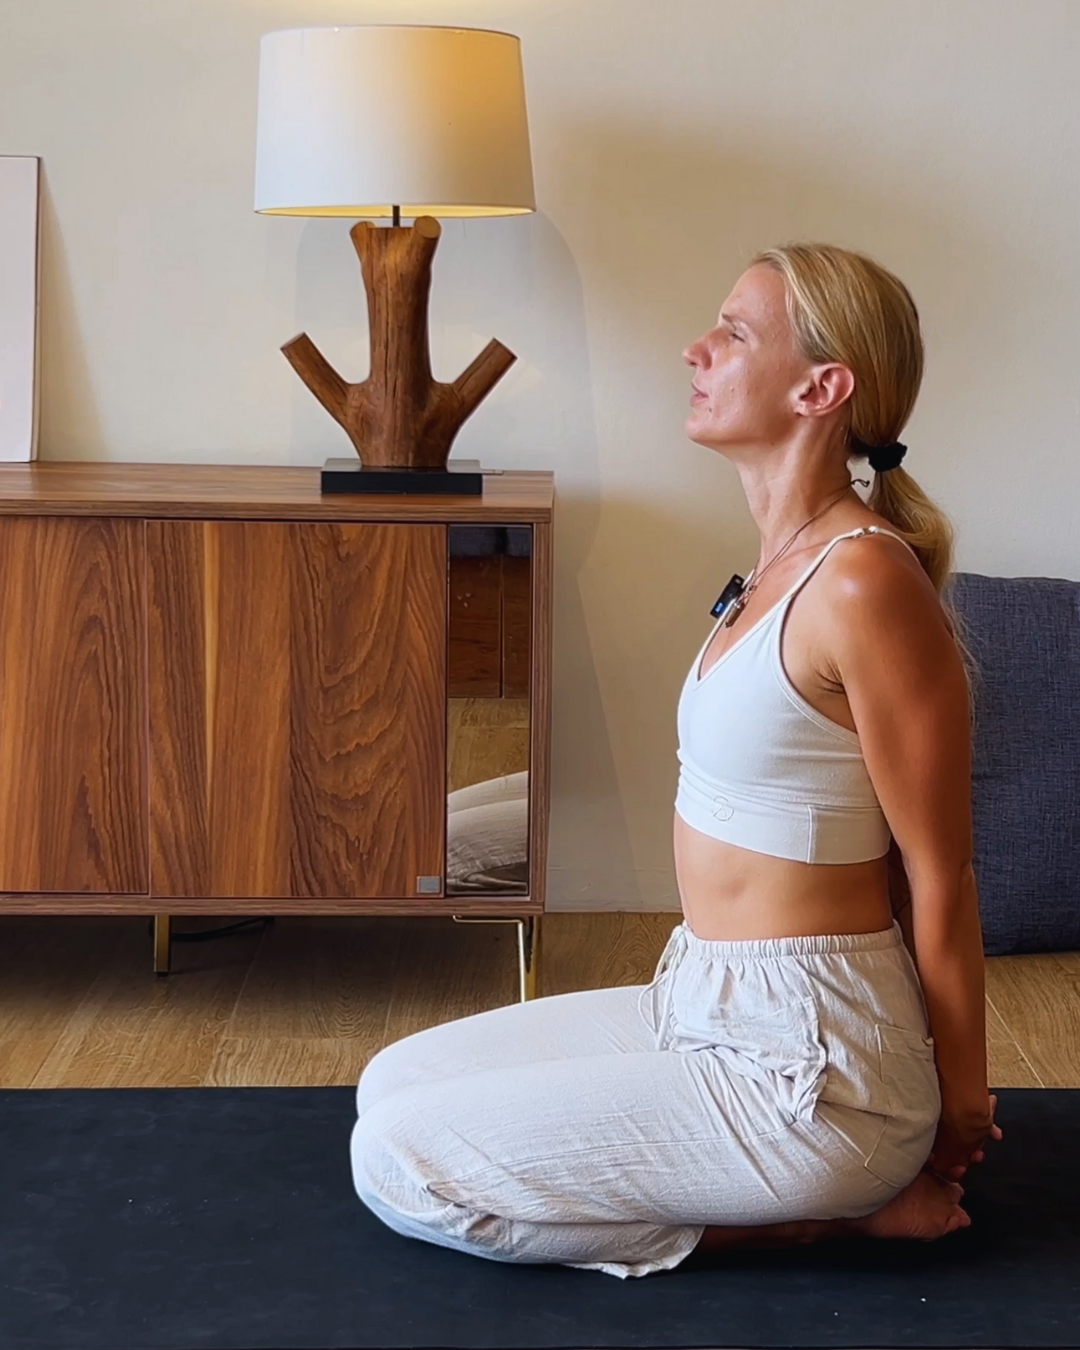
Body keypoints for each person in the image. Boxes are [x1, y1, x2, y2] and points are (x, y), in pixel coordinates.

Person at [349, 241, 1002, 1279]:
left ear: (820, 389)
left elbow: (937, 869)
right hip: (699, 998)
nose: (694, 350)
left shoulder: (863, 585)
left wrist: (958, 1104)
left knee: (396, 1163)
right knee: (389, 1085)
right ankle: (825, 1195)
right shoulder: (775, 570)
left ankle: (819, 1216)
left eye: (733, 334)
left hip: (810, 1069)